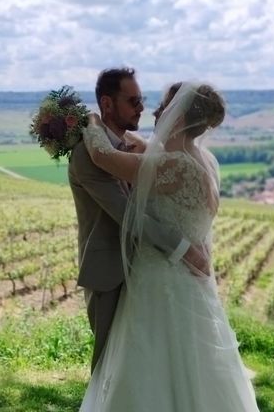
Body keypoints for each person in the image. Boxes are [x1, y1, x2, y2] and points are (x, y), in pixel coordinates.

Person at [78, 81, 260, 411]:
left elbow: (103, 157)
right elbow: (149, 150)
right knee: (195, 368)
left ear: (179, 117)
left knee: (150, 365)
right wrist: (132, 138)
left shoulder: (171, 165)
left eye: (164, 105)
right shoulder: (203, 160)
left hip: (157, 283)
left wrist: (91, 122)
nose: (158, 110)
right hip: (192, 284)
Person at [68, 68, 209, 372]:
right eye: (133, 101)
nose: (142, 108)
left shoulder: (136, 147)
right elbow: (130, 216)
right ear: (106, 105)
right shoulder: (86, 154)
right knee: (110, 366)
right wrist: (186, 249)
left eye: (142, 100)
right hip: (110, 271)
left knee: (152, 364)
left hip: (147, 271)